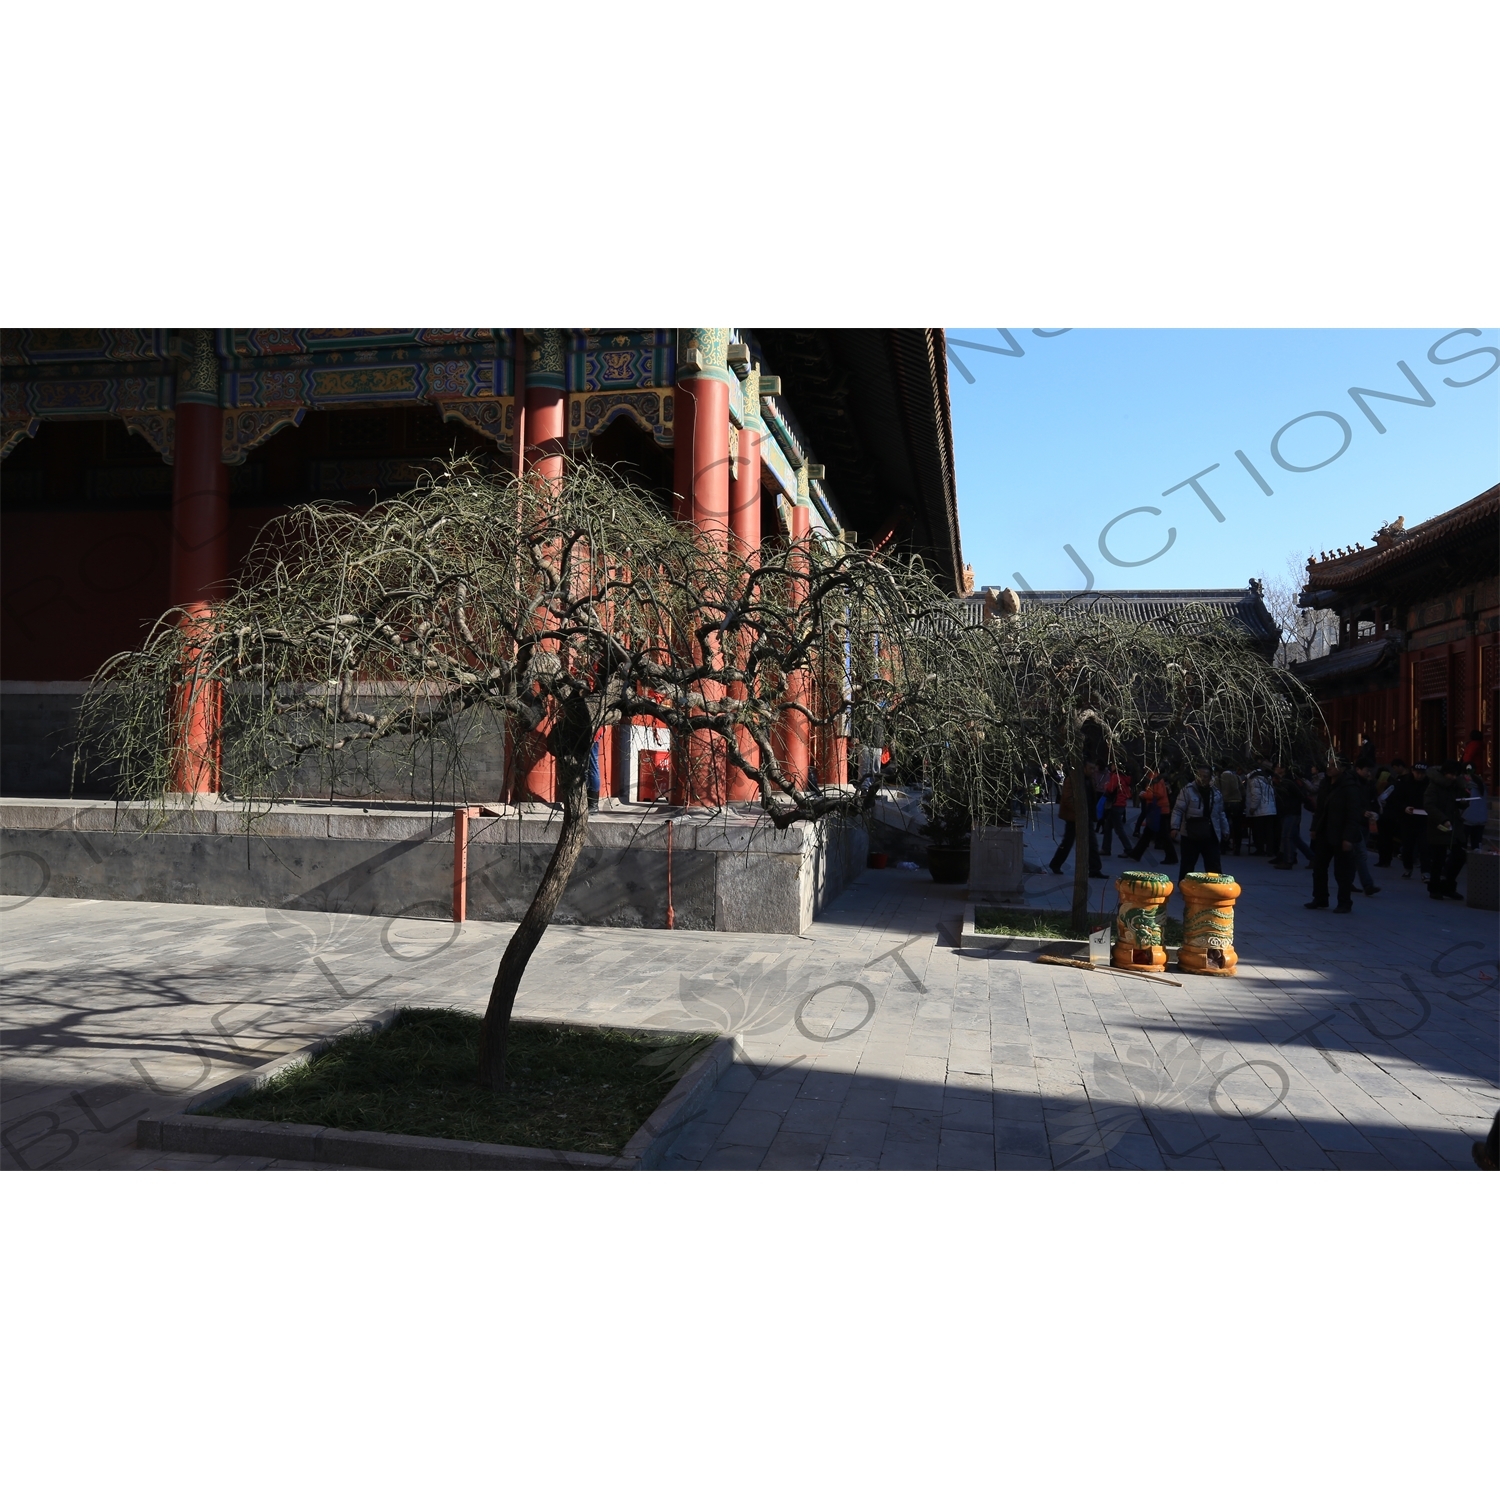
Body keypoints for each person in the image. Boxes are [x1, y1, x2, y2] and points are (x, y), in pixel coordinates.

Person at [1306, 758, 1365, 913]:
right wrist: (1314, 828)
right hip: (1324, 832)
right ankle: (1320, 898)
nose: (1330, 768)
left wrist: (1348, 837)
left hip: (1341, 834)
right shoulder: (1326, 783)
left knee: (1342, 871)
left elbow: (1353, 814)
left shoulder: (1350, 787)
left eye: (1334, 766)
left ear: (1343, 768)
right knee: (1319, 867)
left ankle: (1344, 902)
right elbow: (1320, 809)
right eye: (1328, 765)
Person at [1171, 763, 1229, 884]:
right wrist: (1174, 827)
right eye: (1199, 775)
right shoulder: (1187, 790)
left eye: (1205, 776)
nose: (1202, 778)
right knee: (1188, 863)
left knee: (1213, 863)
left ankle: (1215, 887)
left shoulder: (1216, 792)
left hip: (1211, 832)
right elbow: (1178, 809)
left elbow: (1220, 813)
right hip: (1191, 832)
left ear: (1210, 777)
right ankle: (1184, 885)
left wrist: (1225, 830)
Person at [1049, 762, 1103, 878]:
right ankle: (1055, 864)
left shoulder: (1089, 779)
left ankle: (1095, 869)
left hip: (1086, 816)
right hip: (1074, 817)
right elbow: (1067, 799)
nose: (1093, 771)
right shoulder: (1073, 779)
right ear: (1083, 768)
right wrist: (1080, 811)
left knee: (1092, 843)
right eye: (1090, 768)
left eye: (1094, 768)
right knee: (1068, 842)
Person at [1424, 760, 1467, 901]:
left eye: (1456, 775)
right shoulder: (1434, 786)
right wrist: (1443, 819)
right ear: (1444, 773)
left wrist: (1464, 799)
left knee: (1460, 856)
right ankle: (1435, 888)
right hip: (1439, 826)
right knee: (1438, 859)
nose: (1454, 777)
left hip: (1454, 826)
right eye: (1451, 774)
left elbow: (1463, 802)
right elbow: (1429, 805)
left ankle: (1448, 885)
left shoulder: (1456, 786)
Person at [1127, 767, 1176, 864]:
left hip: (1159, 809)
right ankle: (1136, 853)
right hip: (1160, 809)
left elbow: (1158, 794)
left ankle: (1171, 856)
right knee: (1150, 834)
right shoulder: (1155, 776)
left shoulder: (1153, 777)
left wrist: (1144, 795)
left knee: (1158, 834)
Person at [1391, 761, 1430, 879]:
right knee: (1408, 847)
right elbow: (1396, 799)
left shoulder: (1429, 783)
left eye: (1422, 773)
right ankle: (1408, 868)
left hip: (1425, 819)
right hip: (1408, 819)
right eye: (1417, 773)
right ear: (1412, 771)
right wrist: (1404, 808)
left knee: (1425, 847)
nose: (1420, 775)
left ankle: (1425, 872)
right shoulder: (1404, 782)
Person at [1271, 764, 1313, 869]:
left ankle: (1288, 860)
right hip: (1287, 811)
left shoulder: (1289, 781)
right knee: (1294, 837)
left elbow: (1300, 795)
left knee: (1287, 836)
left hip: (1291, 812)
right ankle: (1312, 858)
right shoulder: (1281, 781)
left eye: (1279, 767)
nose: (1276, 769)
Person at [1374, 757, 1408, 865]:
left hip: (1385, 814)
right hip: (1393, 814)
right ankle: (1387, 858)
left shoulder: (1385, 786)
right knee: (1388, 838)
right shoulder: (1395, 783)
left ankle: (1384, 860)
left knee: (1383, 838)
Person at [1243, 758, 1277, 855]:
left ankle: (1260, 849)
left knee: (1259, 831)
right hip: (1270, 808)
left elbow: (1256, 795)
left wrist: (1253, 808)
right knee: (1269, 831)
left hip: (1261, 809)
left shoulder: (1253, 779)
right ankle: (1270, 850)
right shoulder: (1266, 776)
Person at [1098, 762, 1133, 856]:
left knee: (1118, 829)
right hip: (1120, 804)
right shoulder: (1124, 778)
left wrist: (1106, 785)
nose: (1111, 766)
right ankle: (1105, 848)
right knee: (1108, 827)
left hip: (1115, 804)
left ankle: (1128, 848)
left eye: (1113, 765)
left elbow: (1110, 789)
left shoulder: (1116, 776)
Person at [1218, 763, 1245, 855]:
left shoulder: (1219, 777)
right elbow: (1242, 790)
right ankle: (1237, 847)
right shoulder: (1236, 777)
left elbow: (1216, 790)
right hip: (1236, 802)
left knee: (1224, 824)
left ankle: (1223, 846)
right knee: (1237, 826)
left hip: (1224, 802)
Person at [1460, 765, 1488, 849]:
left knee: (1462, 845)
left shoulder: (1466, 786)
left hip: (1468, 818)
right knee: (1476, 846)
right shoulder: (1482, 785)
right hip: (1481, 818)